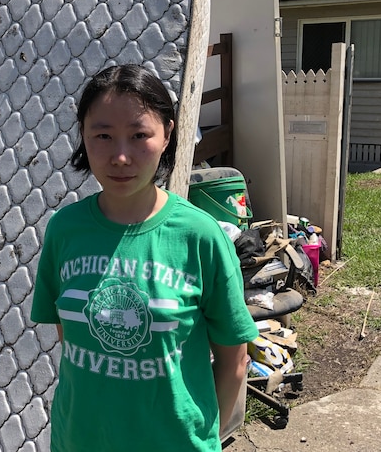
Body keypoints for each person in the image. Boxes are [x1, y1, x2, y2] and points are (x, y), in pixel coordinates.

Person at [31, 64, 259, 451]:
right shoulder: (64, 230)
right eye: (103, 135)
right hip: (78, 440)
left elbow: (234, 359)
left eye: (139, 135)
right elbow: (71, 337)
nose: (121, 156)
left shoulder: (199, 237)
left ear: (168, 134)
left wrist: (203, 439)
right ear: (83, 136)